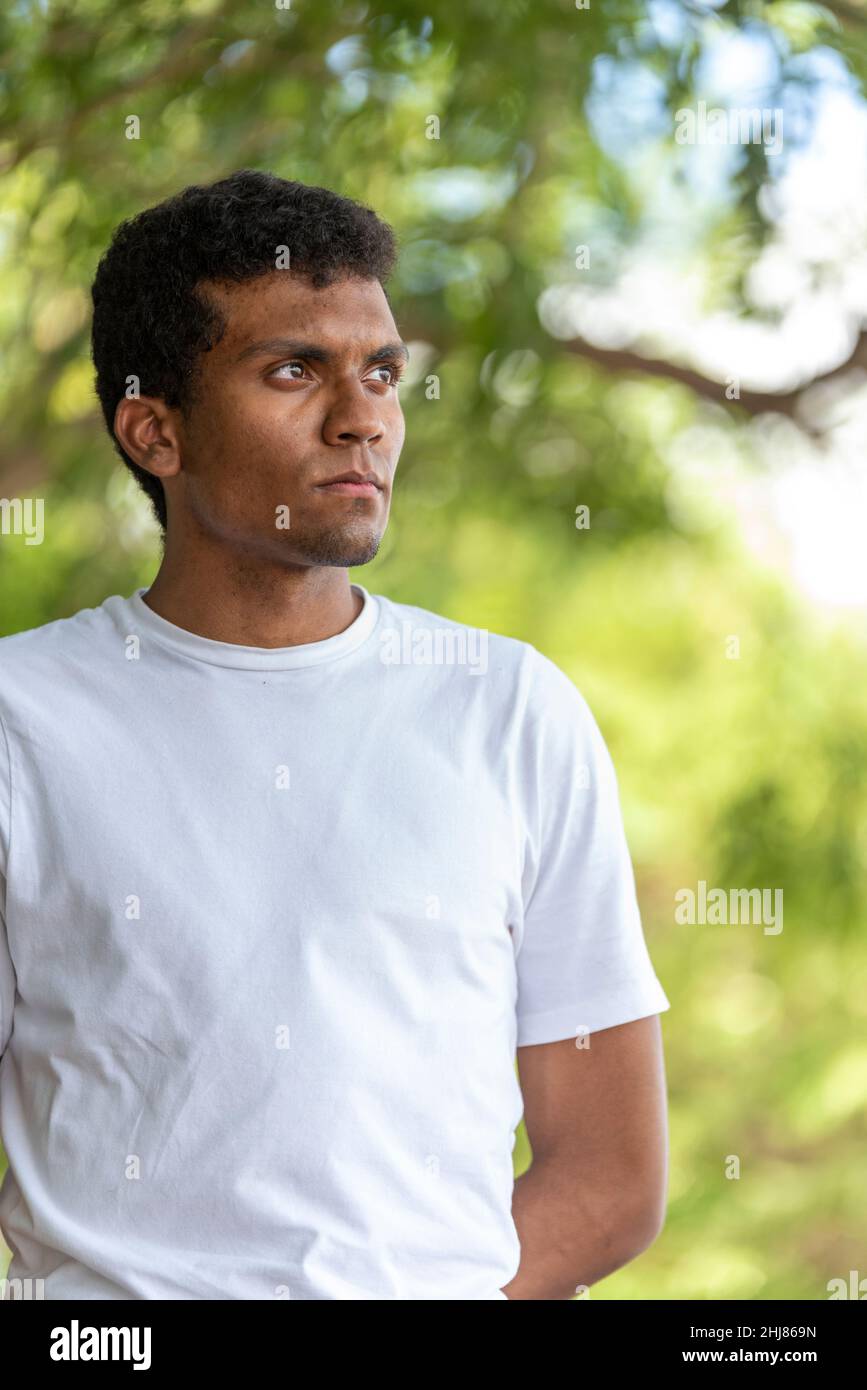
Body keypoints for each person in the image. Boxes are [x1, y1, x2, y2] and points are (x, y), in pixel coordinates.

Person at [0, 169, 670, 1301]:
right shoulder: (23, 721)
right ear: (153, 429)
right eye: (294, 369)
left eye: (383, 373)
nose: (361, 416)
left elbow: (609, 1175)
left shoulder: (509, 708)